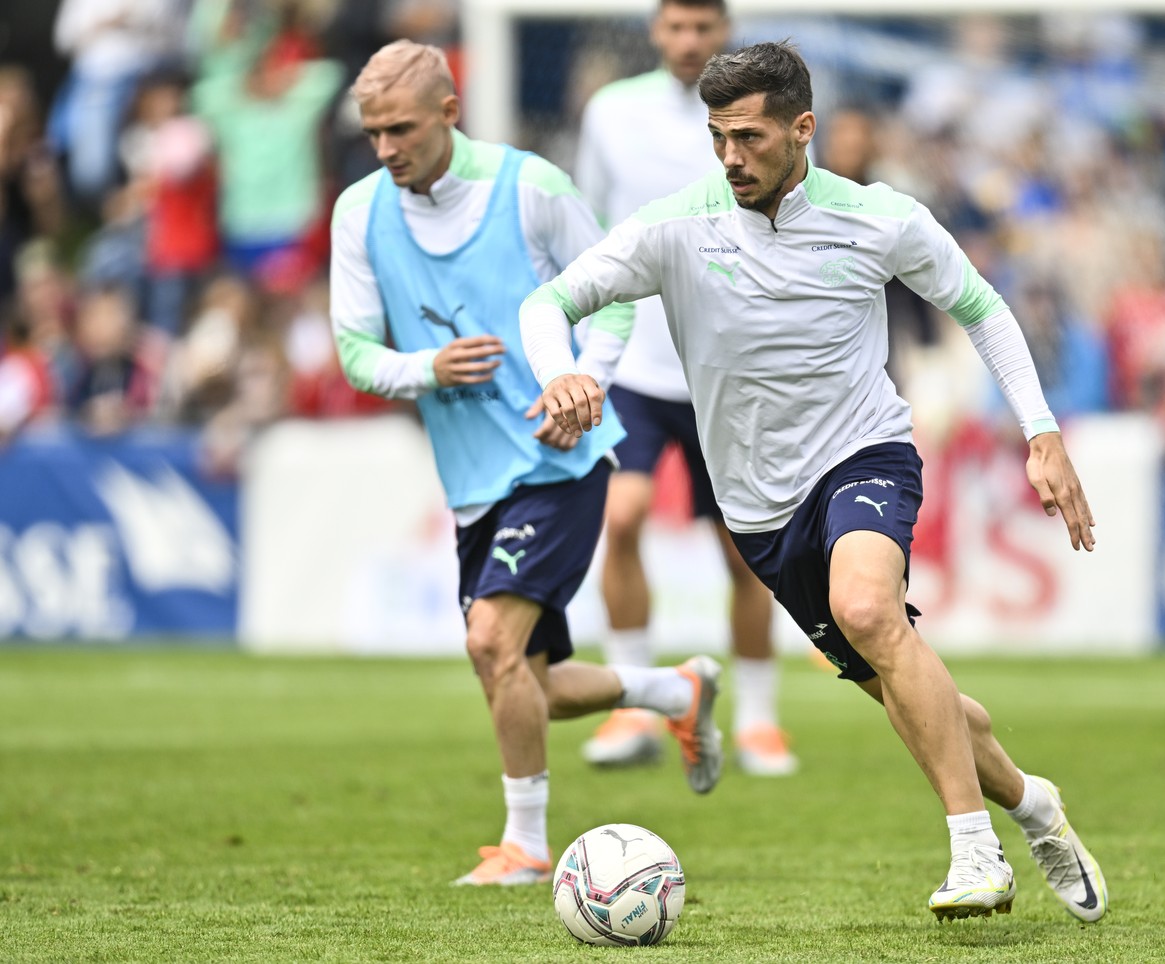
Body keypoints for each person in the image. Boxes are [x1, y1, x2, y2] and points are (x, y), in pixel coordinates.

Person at [522, 41, 1107, 922]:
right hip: (759, 510)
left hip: (865, 454)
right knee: (919, 697)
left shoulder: (880, 218)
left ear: (803, 129)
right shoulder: (675, 226)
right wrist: (557, 372)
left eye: (749, 137)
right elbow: (547, 305)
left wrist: (1043, 433)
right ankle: (1033, 805)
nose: (730, 157)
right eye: (718, 136)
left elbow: (981, 306)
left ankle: (975, 854)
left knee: (871, 611)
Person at [328, 40, 725, 888]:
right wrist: (424, 368)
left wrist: (585, 382)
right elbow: (357, 353)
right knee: (528, 682)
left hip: (562, 461)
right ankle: (674, 692)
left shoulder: (533, 189)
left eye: (401, 128)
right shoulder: (360, 213)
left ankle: (527, 846)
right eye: (373, 134)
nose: (387, 148)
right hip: (472, 482)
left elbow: (616, 301)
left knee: (489, 643)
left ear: (449, 111)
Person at [572, 0, 797, 777]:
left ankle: (761, 719)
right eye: (676, 27)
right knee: (624, 518)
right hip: (634, 357)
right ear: (655, 33)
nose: (689, 41)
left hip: (725, 366)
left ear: (724, 33)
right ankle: (635, 703)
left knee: (743, 553)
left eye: (703, 28)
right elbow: (587, 223)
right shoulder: (611, 112)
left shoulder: (760, 117)